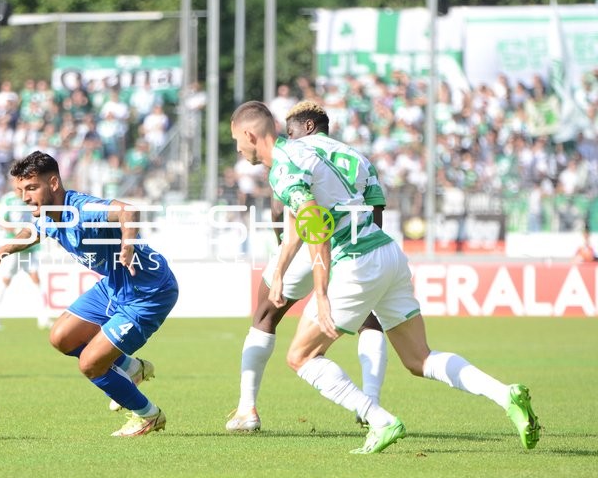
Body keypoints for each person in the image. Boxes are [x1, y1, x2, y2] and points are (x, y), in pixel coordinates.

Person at [230, 101, 540, 454]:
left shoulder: (286, 162)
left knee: (301, 356)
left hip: (354, 260)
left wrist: (320, 292)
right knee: (419, 358)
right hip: (387, 252)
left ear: (249, 134)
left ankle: (379, 419)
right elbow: (313, 220)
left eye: (236, 141)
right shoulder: (347, 154)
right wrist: (283, 268)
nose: (238, 149)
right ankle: (505, 394)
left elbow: (314, 226)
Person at [0, 151, 179, 437]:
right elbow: (32, 232)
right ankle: (133, 368)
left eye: (32, 188)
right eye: (21, 190)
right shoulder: (49, 215)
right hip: (114, 286)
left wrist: (128, 245)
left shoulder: (81, 209)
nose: (25, 197)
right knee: (61, 336)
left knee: (91, 365)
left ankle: (148, 415)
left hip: (148, 291)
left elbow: (128, 210)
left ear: (54, 183)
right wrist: (0, 252)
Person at [227, 101, 388, 432]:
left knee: (265, 316)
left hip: (306, 242)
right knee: (369, 321)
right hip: (355, 246)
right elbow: (377, 210)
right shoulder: (359, 158)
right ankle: (371, 401)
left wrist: (280, 256)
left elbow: (280, 209)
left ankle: (247, 409)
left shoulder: (293, 154)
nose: (287, 136)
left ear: (309, 127)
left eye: (291, 131)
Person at [0, 180, 51, 331]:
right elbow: (2, 221)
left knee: (36, 278)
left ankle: (43, 317)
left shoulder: (30, 199)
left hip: (28, 246)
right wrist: (16, 230)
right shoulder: (7, 200)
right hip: (13, 246)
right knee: (6, 278)